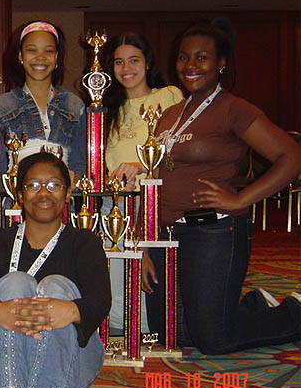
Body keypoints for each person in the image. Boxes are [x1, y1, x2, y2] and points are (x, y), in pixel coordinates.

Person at [126, 19, 301, 355]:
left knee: (212, 339)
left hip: (213, 231)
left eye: (202, 57)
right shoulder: (170, 114)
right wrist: (143, 242)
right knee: (171, 333)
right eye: (183, 57)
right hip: (165, 233)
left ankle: (293, 312)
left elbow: (290, 157)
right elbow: (154, 178)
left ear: (222, 64)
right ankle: (251, 306)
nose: (190, 66)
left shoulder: (234, 109)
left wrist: (240, 199)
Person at [0, 152, 110, 388]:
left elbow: (101, 301)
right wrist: (3, 311)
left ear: (67, 193)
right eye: (33, 185)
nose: (43, 193)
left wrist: (67, 310)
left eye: (54, 185)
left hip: (74, 364)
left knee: (56, 285)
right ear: (19, 195)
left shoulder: (85, 241)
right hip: (7, 363)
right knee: (15, 282)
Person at [100, 32, 183, 334]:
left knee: (147, 277)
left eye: (134, 60)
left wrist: (140, 165)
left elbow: (178, 150)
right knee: (115, 276)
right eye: (119, 62)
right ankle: (124, 332)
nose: (126, 69)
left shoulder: (168, 96)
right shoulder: (108, 109)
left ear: (147, 63)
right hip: (113, 206)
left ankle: (148, 331)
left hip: (151, 204)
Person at [0, 21, 87, 185]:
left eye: (49, 51)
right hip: (15, 203)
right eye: (32, 50)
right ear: (20, 56)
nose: (40, 57)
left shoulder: (74, 104)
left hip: (62, 202)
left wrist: (74, 180)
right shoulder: (3, 105)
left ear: (57, 57)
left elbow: (80, 164)